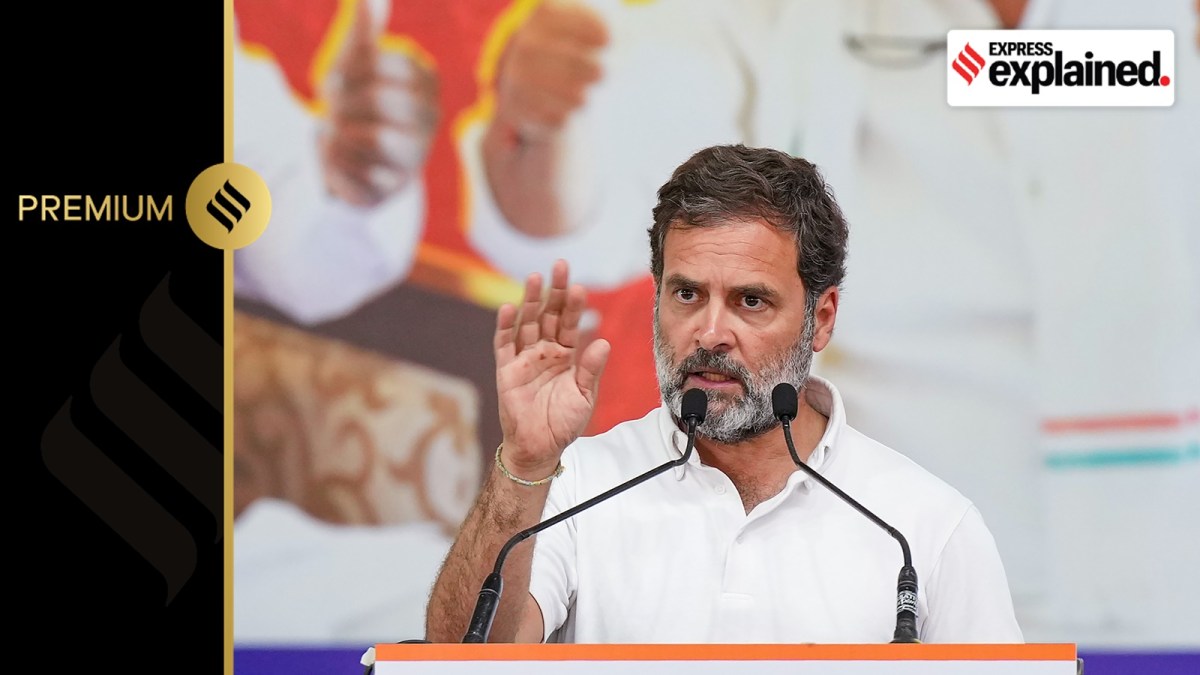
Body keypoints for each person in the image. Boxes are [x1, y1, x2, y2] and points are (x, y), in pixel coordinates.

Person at [424, 144, 1023, 644]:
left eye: (750, 301)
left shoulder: (922, 526)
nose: (710, 334)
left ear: (822, 317)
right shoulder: (578, 485)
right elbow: (459, 658)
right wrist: (524, 464)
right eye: (687, 295)